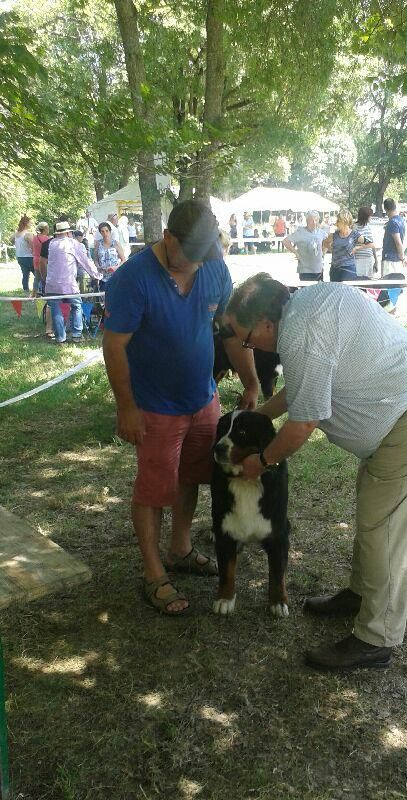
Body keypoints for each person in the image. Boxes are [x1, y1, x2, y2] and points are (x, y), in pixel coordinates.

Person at [223, 273, 407, 671]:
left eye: (246, 340)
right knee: (374, 516)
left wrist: (261, 462)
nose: (249, 348)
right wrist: (260, 415)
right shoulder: (303, 309)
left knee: (386, 527)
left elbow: (303, 423)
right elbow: (303, 388)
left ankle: (377, 639)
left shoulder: (300, 334)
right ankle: (361, 594)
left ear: (265, 324)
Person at [102, 200, 259, 615]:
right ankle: (154, 574)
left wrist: (251, 381)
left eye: (203, 256)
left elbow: (229, 331)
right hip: (154, 406)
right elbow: (114, 346)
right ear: (168, 237)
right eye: (189, 255)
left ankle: (179, 548)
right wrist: (126, 407)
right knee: (154, 490)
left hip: (203, 399)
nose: (196, 265)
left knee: (191, 476)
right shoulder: (133, 279)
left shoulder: (214, 266)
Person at [39, 221, 101, 344]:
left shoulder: (50, 244)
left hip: (52, 284)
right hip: (69, 284)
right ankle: (76, 335)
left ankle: (60, 337)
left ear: (57, 233)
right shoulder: (73, 244)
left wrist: (45, 279)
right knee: (77, 306)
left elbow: (43, 262)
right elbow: (85, 262)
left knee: (55, 309)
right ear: (68, 233)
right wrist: (96, 275)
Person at [323, 209, 371, 283]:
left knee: (347, 289)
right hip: (335, 269)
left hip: (348, 269)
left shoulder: (354, 234)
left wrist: (357, 248)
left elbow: (370, 244)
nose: (336, 223)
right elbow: (324, 243)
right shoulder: (334, 235)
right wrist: (330, 248)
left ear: (344, 221)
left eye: (338, 221)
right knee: (334, 289)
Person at [283, 211, 328, 282]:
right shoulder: (300, 232)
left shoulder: (322, 233)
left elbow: (328, 242)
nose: (314, 223)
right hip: (305, 270)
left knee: (319, 288)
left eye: (316, 220)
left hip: (319, 270)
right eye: (311, 220)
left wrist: (323, 252)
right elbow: (285, 241)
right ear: (307, 221)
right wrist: (296, 253)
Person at [382, 199, 407, 275]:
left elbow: (398, 242)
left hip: (390, 260)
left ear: (385, 209)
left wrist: (403, 258)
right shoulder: (401, 220)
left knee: (388, 281)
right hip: (397, 259)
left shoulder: (392, 223)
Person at [353, 207, 378, 277]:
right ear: (365, 217)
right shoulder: (355, 227)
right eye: (370, 216)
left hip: (369, 258)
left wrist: (376, 260)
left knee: (369, 280)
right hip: (358, 259)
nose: (371, 218)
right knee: (359, 279)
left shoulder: (368, 227)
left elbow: (372, 244)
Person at [14, 216, 34, 294]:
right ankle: (39, 290)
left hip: (19, 257)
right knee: (37, 275)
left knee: (25, 275)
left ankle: (26, 291)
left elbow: (11, 240)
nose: (31, 224)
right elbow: (33, 247)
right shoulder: (28, 234)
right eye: (30, 222)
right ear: (26, 224)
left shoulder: (16, 234)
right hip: (29, 257)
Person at [32, 222, 51, 296]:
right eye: (47, 227)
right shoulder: (47, 239)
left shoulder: (35, 237)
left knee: (36, 278)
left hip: (36, 259)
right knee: (45, 277)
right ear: (45, 229)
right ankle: (46, 293)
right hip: (44, 260)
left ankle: (33, 294)